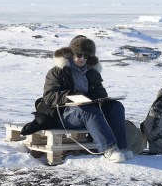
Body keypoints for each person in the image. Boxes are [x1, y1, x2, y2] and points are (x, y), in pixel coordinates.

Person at [21, 35, 132, 163]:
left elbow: (102, 93)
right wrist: (72, 96)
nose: (82, 58)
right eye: (79, 54)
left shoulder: (92, 72)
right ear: (71, 54)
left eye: (86, 55)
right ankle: (109, 150)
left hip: (88, 111)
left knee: (116, 106)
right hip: (62, 116)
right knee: (86, 109)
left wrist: (91, 97)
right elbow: (49, 96)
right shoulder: (58, 71)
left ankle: (121, 148)